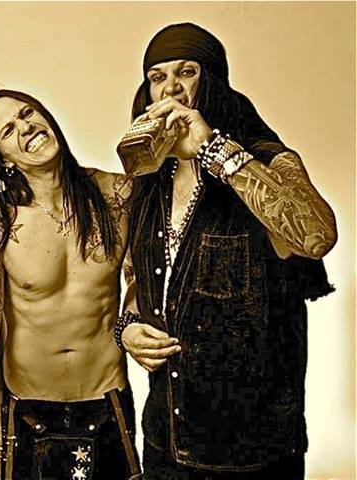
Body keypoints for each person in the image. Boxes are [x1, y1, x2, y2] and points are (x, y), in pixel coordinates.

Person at [116, 23, 338, 479]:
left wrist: (212, 149)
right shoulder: (149, 182)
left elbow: (317, 235)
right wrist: (128, 327)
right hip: (165, 440)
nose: (171, 88)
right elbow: (142, 278)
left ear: (213, 80)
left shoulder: (267, 160)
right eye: (157, 77)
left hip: (253, 452)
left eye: (187, 72)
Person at [0, 89, 141, 479]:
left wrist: (132, 321)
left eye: (28, 113)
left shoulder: (117, 194)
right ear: (3, 157)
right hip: (29, 411)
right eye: (8, 130)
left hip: (108, 402)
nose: (25, 127)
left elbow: (144, 278)